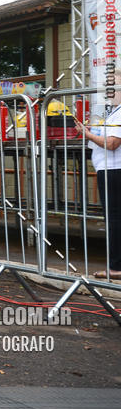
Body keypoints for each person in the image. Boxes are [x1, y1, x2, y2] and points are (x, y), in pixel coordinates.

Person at [74, 75, 121, 280]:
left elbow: (112, 143)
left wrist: (88, 134)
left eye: (114, 86)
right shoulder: (115, 112)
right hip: (110, 169)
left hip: (114, 170)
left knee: (114, 219)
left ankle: (116, 268)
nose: (110, 90)